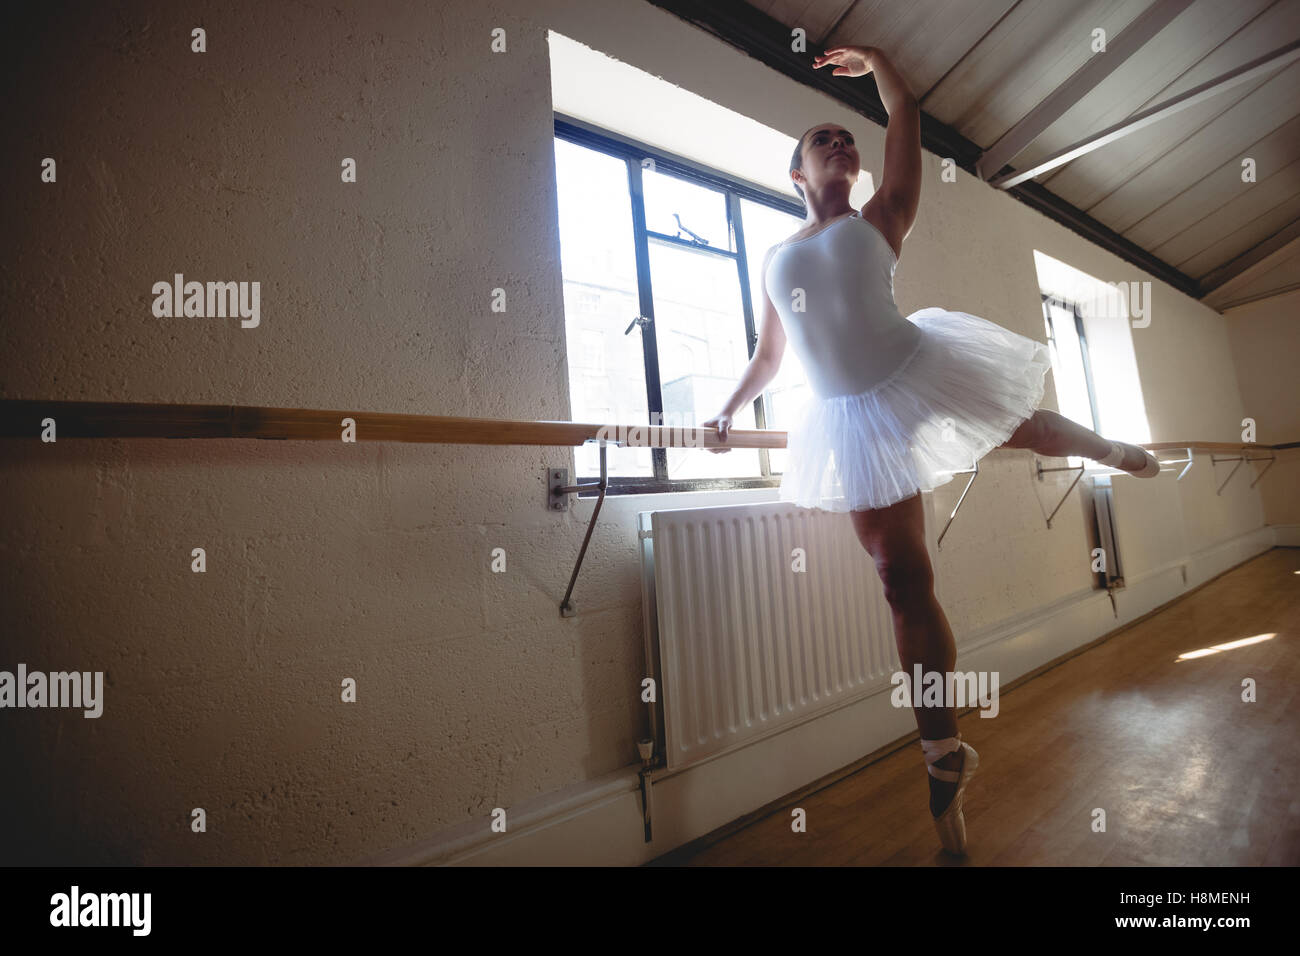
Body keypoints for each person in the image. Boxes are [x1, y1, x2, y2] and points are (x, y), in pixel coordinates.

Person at [701, 45, 1161, 856]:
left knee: (1024, 424)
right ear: (796, 174)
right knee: (900, 580)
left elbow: (904, 118)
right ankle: (944, 757)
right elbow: (770, 356)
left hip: (917, 370)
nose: (841, 146)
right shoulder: (775, 260)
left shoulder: (883, 217)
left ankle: (1118, 448)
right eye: (823, 141)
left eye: (848, 139)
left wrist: (878, 62)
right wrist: (728, 411)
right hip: (851, 419)